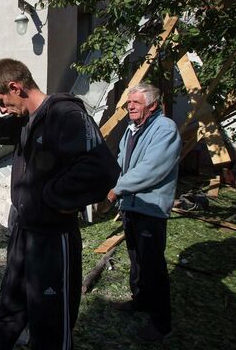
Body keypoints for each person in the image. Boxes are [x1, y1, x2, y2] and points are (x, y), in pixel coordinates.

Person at [0, 58, 120, 350]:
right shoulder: (28, 118)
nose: (2, 110)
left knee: (50, 315)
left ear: (15, 87)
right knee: (11, 300)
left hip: (53, 237)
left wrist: (53, 199)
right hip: (25, 232)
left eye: (2, 101)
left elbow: (104, 170)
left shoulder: (65, 115)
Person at [106, 83, 181, 342]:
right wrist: (106, 179)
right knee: (136, 259)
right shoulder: (132, 129)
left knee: (153, 266)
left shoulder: (165, 129)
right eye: (129, 102)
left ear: (152, 105)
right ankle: (140, 302)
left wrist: (117, 188)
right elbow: (121, 163)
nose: (131, 106)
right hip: (132, 206)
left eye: (136, 102)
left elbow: (151, 169)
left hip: (151, 208)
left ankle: (162, 324)